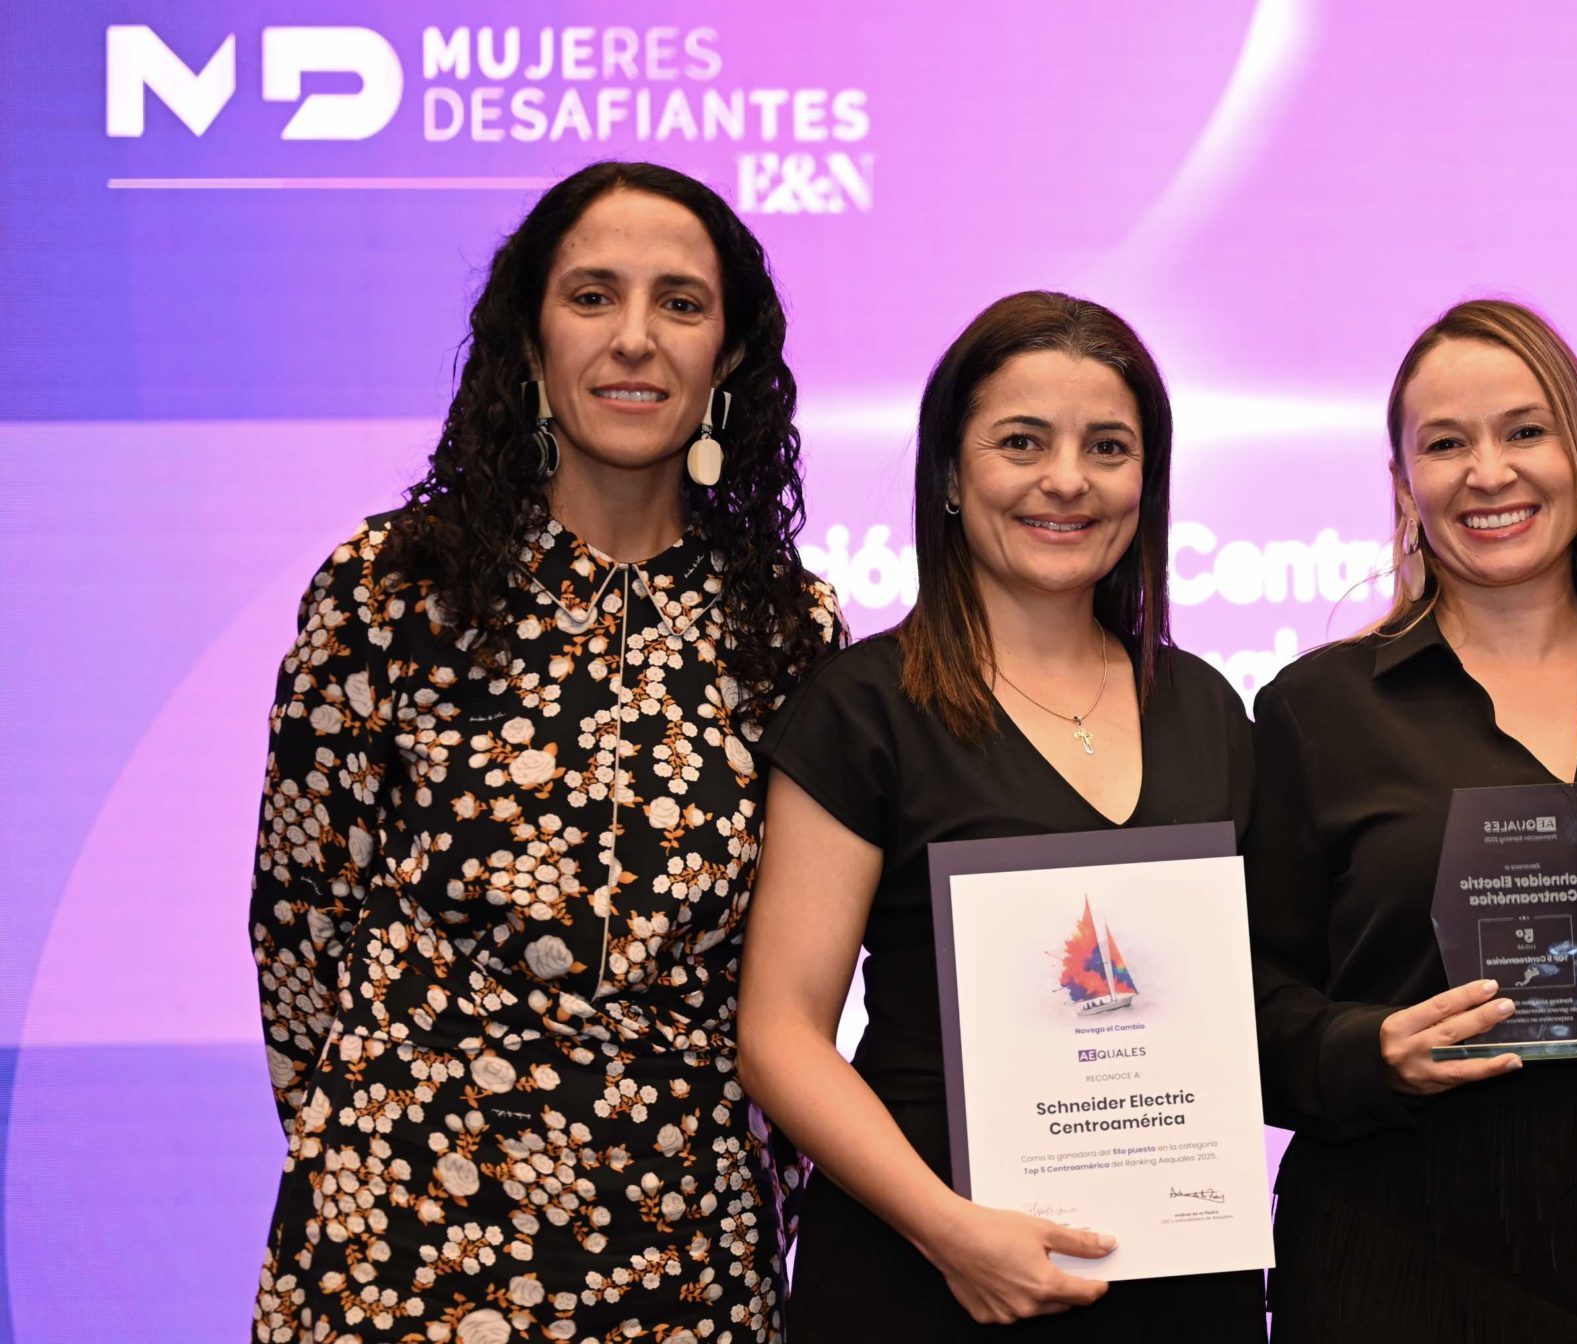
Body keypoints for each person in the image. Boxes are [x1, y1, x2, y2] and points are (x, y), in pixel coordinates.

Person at [250, 161, 842, 1342]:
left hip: (684, 1241)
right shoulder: (392, 589)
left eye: (681, 303)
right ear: (530, 339)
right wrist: (371, 1136)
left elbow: (792, 987)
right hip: (405, 1227)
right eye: (592, 296)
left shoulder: (788, 627)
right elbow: (303, 921)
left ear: (728, 357)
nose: (635, 339)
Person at [736, 291, 1266, 1340]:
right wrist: (951, 1232)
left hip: (1175, 1281)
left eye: (1107, 447)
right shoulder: (865, 706)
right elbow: (779, 1035)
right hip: (925, 1271)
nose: (1066, 479)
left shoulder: (1207, 707)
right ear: (949, 473)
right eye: (1021, 441)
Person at [1245, 299, 1577, 1343]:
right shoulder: (1317, 710)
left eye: (1525, 430)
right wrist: (1363, 1048)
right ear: (1404, 484)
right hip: (1392, 1248)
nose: (1489, 472)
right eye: (1446, 444)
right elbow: (1241, 997)